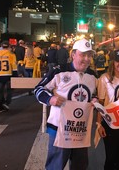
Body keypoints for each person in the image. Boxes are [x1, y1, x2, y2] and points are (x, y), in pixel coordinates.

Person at [34, 38, 97, 170]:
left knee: (80, 166)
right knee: (55, 166)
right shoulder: (59, 70)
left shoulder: (92, 75)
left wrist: (94, 100)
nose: (86, 59)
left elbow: (92, 95)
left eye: (89, 55)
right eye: (82, 54)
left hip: (81, 130)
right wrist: (50, 99)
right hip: (59, 128)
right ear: (73, 54)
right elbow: (39, 89)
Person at [0, 41, 17, 112]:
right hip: (7, 74)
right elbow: (14, 66)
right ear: (9, 47)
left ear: (2, 47)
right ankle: (6, 103)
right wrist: (15, 75)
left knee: (0, 91)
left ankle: (0, 107)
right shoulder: (11, 54)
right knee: (10, 90)